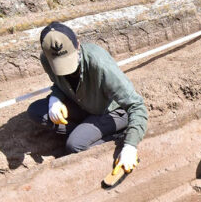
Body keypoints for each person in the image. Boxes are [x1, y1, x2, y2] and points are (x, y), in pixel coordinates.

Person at [28, 22, 147, 172]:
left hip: (112, 111)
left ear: (77, 44)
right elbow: (59, 85)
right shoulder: (46, 60)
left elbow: (136, 105)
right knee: (37, 112)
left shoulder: (99, 63)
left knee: (75, 145)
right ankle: (85, 131)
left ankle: (116, 136)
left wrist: (130, 146)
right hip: (82, 103)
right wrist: (55, 99)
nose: (65, 69)